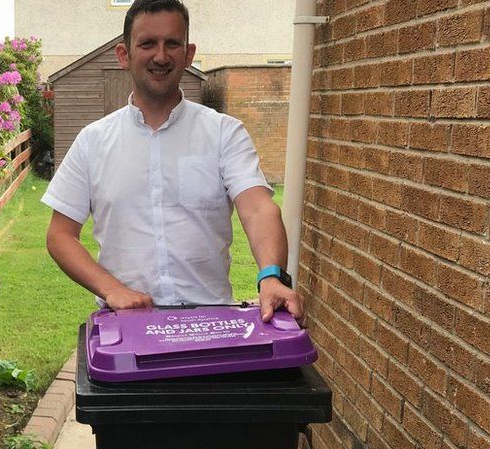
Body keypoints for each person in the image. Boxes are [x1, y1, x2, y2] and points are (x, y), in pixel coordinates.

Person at [42, 0, 303, 323]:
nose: (161, 56)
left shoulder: (224, 133)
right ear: (124, 55)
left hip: (211, 325)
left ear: (188, 53)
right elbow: (60, 235)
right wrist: (112, 289)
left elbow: (258, 208)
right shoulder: (92, 142)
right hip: (125, 328)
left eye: (172, 44)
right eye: (148, 43)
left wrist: (272, 276)